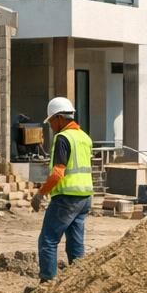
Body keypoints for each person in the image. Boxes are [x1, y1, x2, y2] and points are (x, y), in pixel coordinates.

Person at [31, 97, 93, 283]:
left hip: (66, 197)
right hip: (85, 196)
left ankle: (47, 282)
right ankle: (77, 282)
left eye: (51, 121)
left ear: (59, 118)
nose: (50, 126)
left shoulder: (63, 138)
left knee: (48, 240)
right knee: (75, 242)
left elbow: (58, 172)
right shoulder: (84, 137)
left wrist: (40, 193)